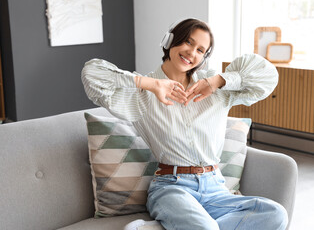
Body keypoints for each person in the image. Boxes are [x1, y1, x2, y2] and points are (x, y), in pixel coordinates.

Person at [81, 18, 288, 230]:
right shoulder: (141, 94)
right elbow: (91, 74)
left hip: (216, 188)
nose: (192, 53)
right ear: (170, 40)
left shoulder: (217, 88)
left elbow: (268, 76)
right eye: (188, 42)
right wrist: (150, 84)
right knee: (206, 228)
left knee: (275, 214)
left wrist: (216, 82)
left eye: (200, 50)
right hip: (172, 188)